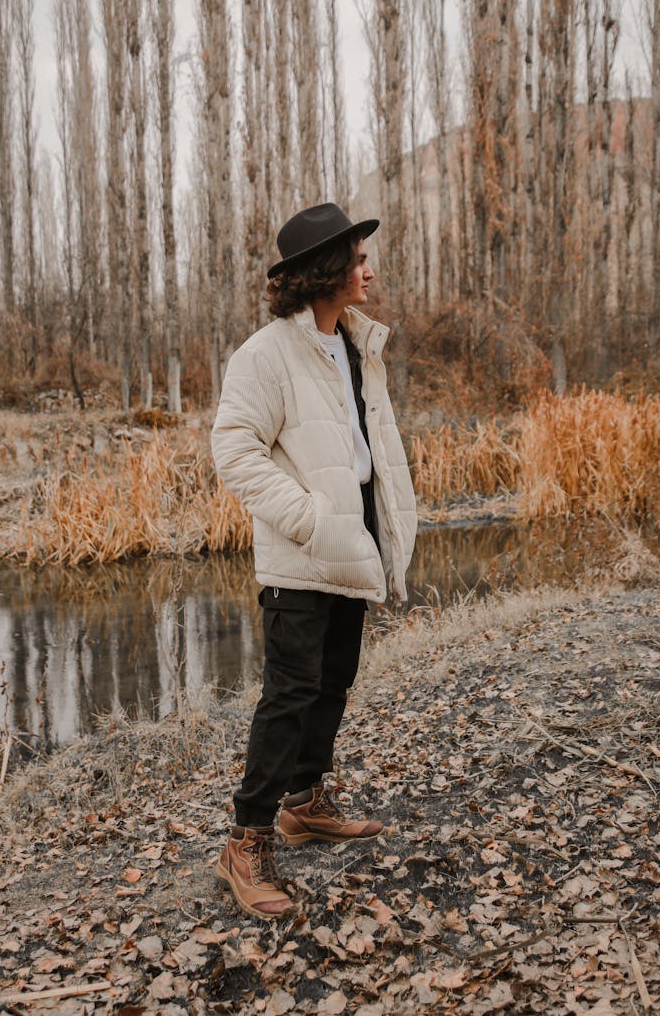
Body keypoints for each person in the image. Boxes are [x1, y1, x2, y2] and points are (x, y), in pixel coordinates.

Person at [211, 202, 417, 920]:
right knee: (290, 693)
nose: (370, 270)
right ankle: (247, 838)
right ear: (326, 271)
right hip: (303, 552)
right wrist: (307, 519)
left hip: (352, 541)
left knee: (334, 679)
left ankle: (304, 801)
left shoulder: (356, 343)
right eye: (359, 259)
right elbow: (233, 452)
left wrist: (377, 527)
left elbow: (366, 444)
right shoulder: (265, 355)